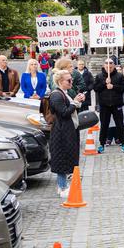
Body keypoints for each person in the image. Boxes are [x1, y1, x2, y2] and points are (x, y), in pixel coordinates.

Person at [48, 69, 85, 197]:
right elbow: (64, 112)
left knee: (67, 158)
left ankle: (63, 186)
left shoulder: (65, 92)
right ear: (60, 81)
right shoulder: (56, 95)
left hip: (67, 130)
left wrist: (77, 101)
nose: (71, 82)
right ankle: (62, 187)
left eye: (71, 79)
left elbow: (70, 107)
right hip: (61, 132)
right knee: (61, 159)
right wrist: (75, 102)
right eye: (68, 80)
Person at [93, 58, 124, 153]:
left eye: (111, 63)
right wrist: (104, 83)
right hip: (104, 105)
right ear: (104, 65)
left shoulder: (119, 76)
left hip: (116, 104)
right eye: (106, 63)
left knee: (120, 125)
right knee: (104, 125)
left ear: (114, 65)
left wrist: (113, 86)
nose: (109, 65)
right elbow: (95, 88)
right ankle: (101, 144)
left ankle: (123, 143)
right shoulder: (99, 76)